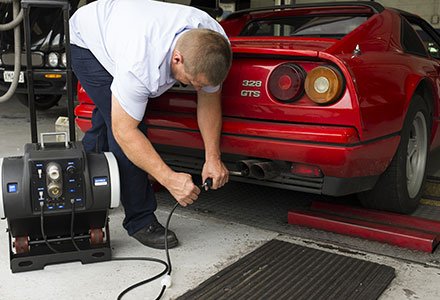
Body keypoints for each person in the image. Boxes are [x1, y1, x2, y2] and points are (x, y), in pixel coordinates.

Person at [69, 0, 232, 249]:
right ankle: (140, 220)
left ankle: (82, 192)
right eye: (192, 82)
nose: (197, 89)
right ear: (177, 59)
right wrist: (169, 179)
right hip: (87, 40)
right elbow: (125, 132)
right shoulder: (140, 64)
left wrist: (213, 157)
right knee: (125, 126)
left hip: (123, 29)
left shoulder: (213, 41)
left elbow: (209, 100)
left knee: (104, 123)